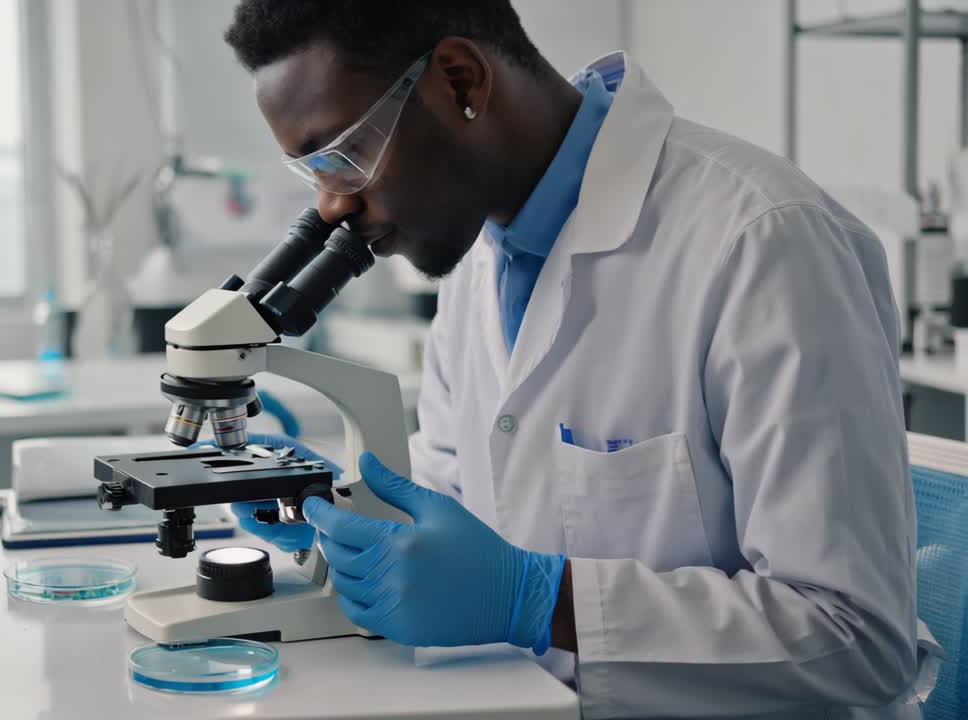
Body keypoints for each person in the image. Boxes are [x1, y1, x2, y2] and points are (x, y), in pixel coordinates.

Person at [223, 2, 923, 717]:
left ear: (459, 80)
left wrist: (538, 600)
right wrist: (334, 512)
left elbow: (858, 639)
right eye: (311, 171)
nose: (331, 207)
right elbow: (455, 515)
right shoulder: (476, 256)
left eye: (343, 157)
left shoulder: (764, 241)